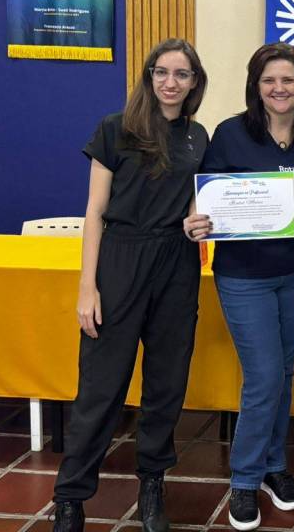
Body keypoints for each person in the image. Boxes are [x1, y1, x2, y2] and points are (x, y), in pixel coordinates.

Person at [51, 39, 208, 532]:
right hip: (120, 261)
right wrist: (87, 287)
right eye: (162, 72)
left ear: (194, 82)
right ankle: (70, 497)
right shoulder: (115, 129)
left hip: (176, 264)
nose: (170, 82)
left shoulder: (197, 136)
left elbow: (192, 204)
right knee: (101, 388)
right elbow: (94, 212)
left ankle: (153, 485)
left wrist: (196, 223)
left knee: (166, 384)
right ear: (148, 76)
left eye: (181, 74)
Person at [183, 43, 294, 531]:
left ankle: (273, 465)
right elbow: (205, 199)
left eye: (288, 80)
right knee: (263, 377)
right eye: (269, 80)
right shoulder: (230, 134)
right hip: (244, 276)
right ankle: (244, 481)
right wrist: (196, 221)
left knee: (282, 372)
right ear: (255, 86)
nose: (279, 88)